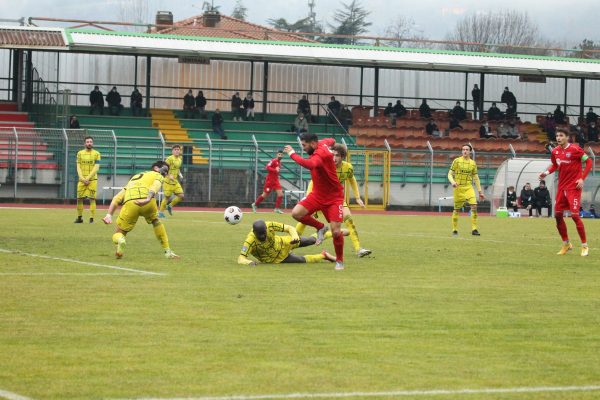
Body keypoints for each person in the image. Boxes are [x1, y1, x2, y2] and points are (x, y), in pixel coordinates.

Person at [296, 143, 372, 258]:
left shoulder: (348, 167)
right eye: (332, 155)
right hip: (319, 197)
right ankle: (290, 245)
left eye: (337, 155)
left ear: (342, 156)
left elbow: (352, 179)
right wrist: (308, 197)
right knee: (302, 218)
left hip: (335, 199)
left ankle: (358, 249)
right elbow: (313, 182)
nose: (334, 158)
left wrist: (357, 197)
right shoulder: (324, 165)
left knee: (349, 219)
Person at [283, 133, 346, 270]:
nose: (303, 148)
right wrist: (332, 149)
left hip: (334, 198)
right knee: (296, 213)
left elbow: (310, 164)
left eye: (304, 146)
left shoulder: (320, 155)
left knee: (336, 232)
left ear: (312, 144)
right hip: (317, 195)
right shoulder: (323, 142)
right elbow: (332, 140)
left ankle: (340, 261)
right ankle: (320, 227)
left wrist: (292, 154)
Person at [101, 160, 180, 259]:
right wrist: (147, 198)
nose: (165, 173)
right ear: (156, 168)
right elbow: (155, 185)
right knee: (156, 221)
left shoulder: (134, 178)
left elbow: (117, 198)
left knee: (119, 233)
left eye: (167, 172)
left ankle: (120, 241)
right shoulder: (158, 175)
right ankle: (167, 251)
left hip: (131, 203)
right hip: (148, 202)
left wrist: (109, 215)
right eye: (165, 170)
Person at [539, 129, 593, 256]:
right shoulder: (556, 151)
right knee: (558, 216)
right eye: (557, 135)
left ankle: (584, 246)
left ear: (567, 137)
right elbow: (555, 165)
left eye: (561, 135)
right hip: (561, 188)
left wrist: (582, 178)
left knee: (575, 216)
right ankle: (566, 244)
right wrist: (545, 173)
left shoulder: (575, 149)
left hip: (573, 188)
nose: (558, 137)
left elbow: (589, 162)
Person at [238, 220, 339, 266]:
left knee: (310, 241)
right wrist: (249, 262)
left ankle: (329, 233)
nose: (263, 236)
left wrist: (294, 236)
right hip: (276, 259)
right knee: (301, 260)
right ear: (254, 232)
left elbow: (288, 228)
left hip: (284, 243)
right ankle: (323, 256)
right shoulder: (249, 241)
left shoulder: (269, 225)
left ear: (266, 228)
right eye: (259, 235)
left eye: (264, 233)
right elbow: (241, 258)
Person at [447, 144, 484, 236]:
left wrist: (480, 192)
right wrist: (453, 182)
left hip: (468, 187)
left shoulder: (473, 163)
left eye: (467, 149)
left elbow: (476, 178)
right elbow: (449, 174)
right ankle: (454, 229)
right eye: (463, 149)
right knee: (456, 210)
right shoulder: (457, 161)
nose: (465, 151)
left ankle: (474, 229)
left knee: (474, 206)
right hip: (458, 188)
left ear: (470, 151)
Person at [74, 136, 101, 223]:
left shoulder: (97, 154)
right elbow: (78, 167)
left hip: (92, 180)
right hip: (82, 180)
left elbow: (96, 168)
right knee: (79, 199)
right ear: (84, 143)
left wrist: (88, 178)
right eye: (87, 142)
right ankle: (79, 218)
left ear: (92, 143)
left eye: (91, 142)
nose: (89, 143)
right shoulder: (79, 153)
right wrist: (82, 179)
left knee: (92, 199)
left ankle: (91, 219)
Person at [251, 149, 284, 214]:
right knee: (264, 195)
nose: (280, 155)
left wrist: (278, 175)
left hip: (276, 181)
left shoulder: (279, 163)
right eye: (279, 154)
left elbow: (277, 171)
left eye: (281, 155)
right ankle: (255, 204)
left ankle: (276, 209)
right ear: (277, 154)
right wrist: (275, 170)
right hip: (270, 181)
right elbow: (267, 167)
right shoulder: (273, 160)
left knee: (281, 194)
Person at [159, 144, 185, 218]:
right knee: (167, 197)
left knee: (181, 196)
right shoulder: (169, 159)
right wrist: (168, 175)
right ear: (172, 151)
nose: (177, 151)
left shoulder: (180, 159)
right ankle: (160, 213)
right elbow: (162, 169)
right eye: (175, 149)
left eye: (178, 149)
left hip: (175, 181)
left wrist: (180, 174)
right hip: (168, 182)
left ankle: (170, 206)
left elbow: (177, 168)